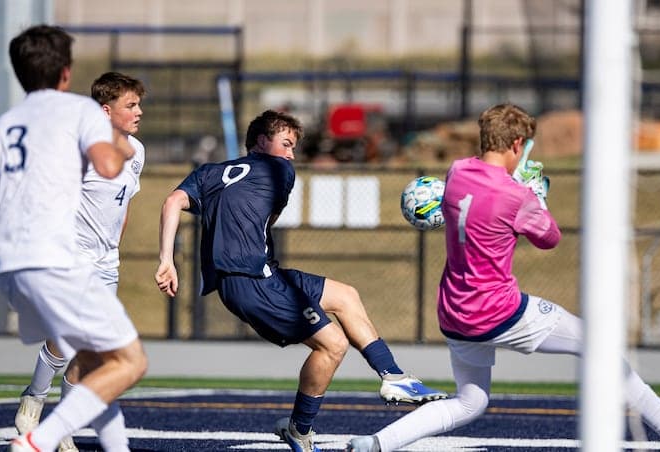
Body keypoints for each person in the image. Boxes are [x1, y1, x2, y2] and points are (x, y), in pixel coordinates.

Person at [345, 103, 660, 452]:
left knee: (469, 402)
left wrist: (520, 187)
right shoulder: (515, 197)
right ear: (515, 144)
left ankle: (378, 443)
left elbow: (483, 192)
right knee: (600, 345)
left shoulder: (458, 171)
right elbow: (549, 238)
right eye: (522, 148)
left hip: (455, 311)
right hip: (498, 310)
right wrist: (536, 194)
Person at [155, 109, 447, 452]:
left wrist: (167, 260)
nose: (291, 154)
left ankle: (394, 376)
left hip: (262, 275)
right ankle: (299, 429)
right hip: (253, 281)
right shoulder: (280, 169)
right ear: (262, 141)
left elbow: (172, 201)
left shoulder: (210, 172)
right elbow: (270, 213)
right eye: (286, 143)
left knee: (345, 296)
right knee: (333, 345)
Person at [0, 25, 147, 452]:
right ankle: (39, 436)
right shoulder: (78, 114)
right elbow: (110, 166)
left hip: (12, 265)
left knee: (95, 360)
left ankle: (59, 431)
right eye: (131, 105)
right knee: (127, 360)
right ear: (66, 72)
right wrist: (123, 151)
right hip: (59, 259)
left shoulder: (0, 129)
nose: (137, 112)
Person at [13, 71, 146, 452]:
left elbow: (123, 207)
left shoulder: (137, 152)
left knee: (88, 352)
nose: (138, 112)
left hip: (106, 261)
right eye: (130, 105)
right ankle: (34, 400)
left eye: (139, 104)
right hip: (72, 258)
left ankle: (59, 420)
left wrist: (114, 249)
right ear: (106, 111)